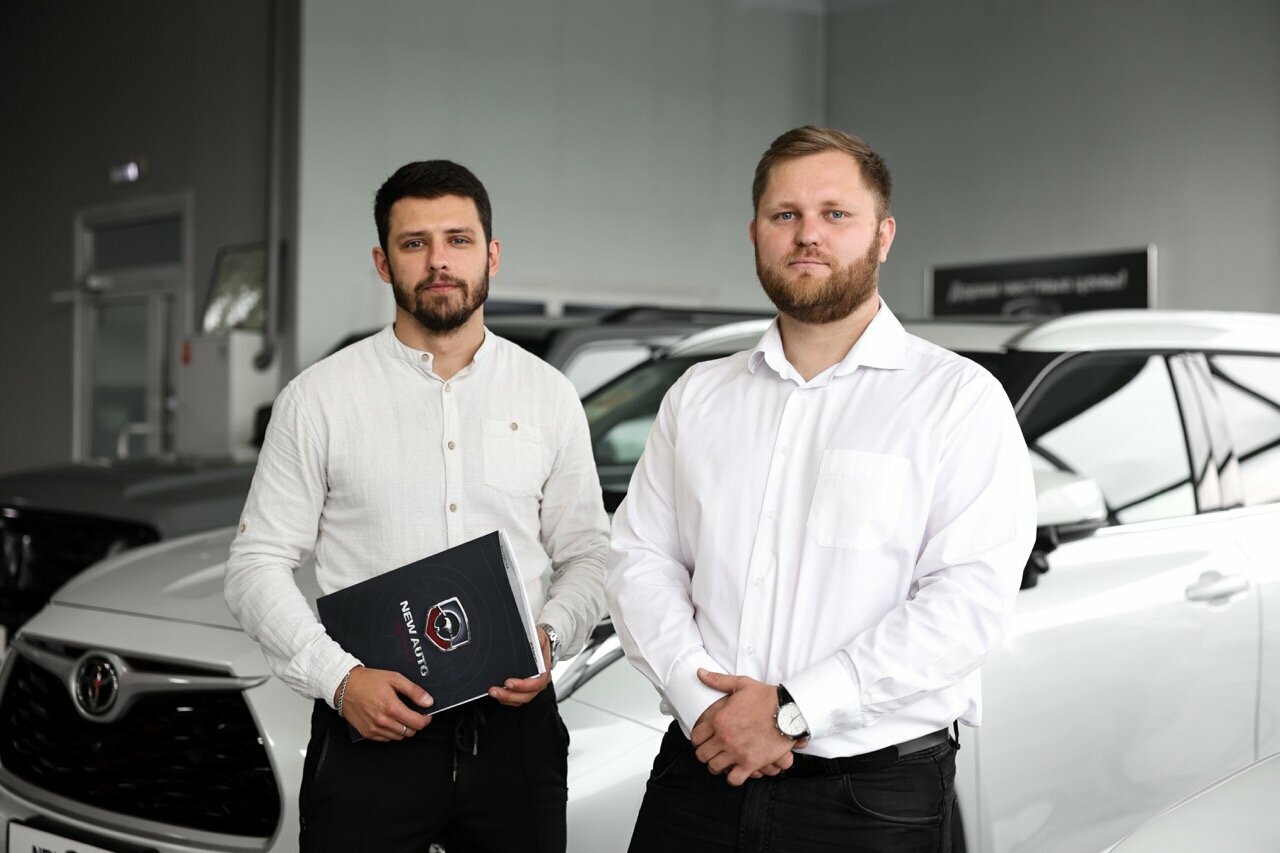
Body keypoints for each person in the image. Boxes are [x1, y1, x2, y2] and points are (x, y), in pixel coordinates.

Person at [605, 126, 1036, 852]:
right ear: (755, 233)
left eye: (836, 213)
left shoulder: (957, 399)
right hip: (699, 771)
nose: (808, 234)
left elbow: (968, 600)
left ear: (883, 235)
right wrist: (704, 704)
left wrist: (791, 711)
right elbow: (640, 559)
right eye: (786, 215)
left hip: (868, 798)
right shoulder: (699, 396)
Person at [224, 160, 609, 853]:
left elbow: (589, 553)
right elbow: (255, 564)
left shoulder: (548, 396)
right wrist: (340, 681)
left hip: (515, 734)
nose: (438, 261)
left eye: (458, 239)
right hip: (368, 728)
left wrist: (550, 638)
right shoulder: (318, 399)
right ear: (383, 262)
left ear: (491, 254)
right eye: (414, 243)